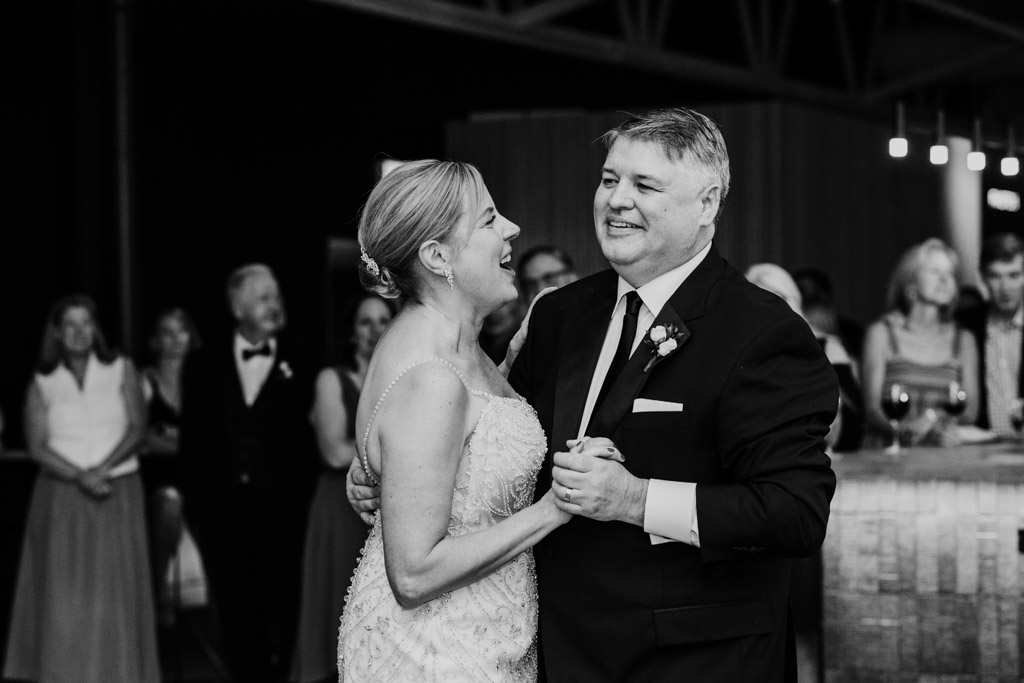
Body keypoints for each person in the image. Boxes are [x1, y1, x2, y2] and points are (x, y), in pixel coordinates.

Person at [350, 108, 838, 680]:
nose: (617, 200)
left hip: (695, 659)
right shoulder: (559, 314)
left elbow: (794, 513)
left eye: (645, 185)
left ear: (706, 204)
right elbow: (501, 452)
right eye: (609, 180)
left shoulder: (762, 331)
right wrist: (393, 470)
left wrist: (635, 499)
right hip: (551, 650)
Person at [337, 159, 571, 681]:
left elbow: (467, 438)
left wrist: (512, 362)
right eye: (489, 220)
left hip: (475, 634)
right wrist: (556, 509)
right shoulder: (432, 377)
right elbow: (414, 574)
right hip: (435, 654)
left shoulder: (450, 344)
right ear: (438, 256)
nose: (511, 228)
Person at [3, 294, 159, 683]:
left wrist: (101, 470)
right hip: (61, 495)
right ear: (56, 332)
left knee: (115, 593)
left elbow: (139, 428)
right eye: (69, 324)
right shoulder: (43, 380)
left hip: (117, 490)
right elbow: (36, 444)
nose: (78, 332)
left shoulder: (121, 368)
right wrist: (80, 476)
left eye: (85, 323)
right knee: (64, 596)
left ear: (96, 329)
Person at [180, 264, 318, 683]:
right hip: (222, 513)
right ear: (237, 307)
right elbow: (192, 442)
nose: (275, 305)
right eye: (263, 298)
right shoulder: (202, 365)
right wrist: (200, 506)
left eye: (276, 296)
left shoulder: (305, 361)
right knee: (235, 617)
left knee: (283, 612)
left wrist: (298, 499)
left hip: (283, 512)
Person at [289, 292, 395, 683]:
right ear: (351, 331)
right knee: (338, 603)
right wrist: (401, 453)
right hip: (339, 503)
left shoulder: (405, 374)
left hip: (391, 503)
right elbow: (334, 452)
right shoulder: (331, 378)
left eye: (383, 320)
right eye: (365, 322)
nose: (374, 330)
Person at [862, 238, 979, 447]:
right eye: (934, 271)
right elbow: (871, 409)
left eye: (950, 273)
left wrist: (933, 419)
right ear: (911, 281)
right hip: (889, 453)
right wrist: (905, 432)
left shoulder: (964, 339)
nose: (944, 280)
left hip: (942, 453)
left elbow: (970, 411)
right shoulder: (881, 333)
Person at [746, 262, 863, 452]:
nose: (767, 314)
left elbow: (852, 432)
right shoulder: (741, 358)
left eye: (776, 302)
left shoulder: (826, 348)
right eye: (757, 305)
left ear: (793, 303)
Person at [139, 306, 202, 624]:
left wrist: (170, 437)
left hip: (199, 474)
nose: (175, 339)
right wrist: (184, 439)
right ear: (154, 341)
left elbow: (212, 439)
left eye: (181, 330)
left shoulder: (204, 381)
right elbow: (140, 439)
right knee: (168, 503)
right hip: (158, 479)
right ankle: (156, 591)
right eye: (167, 331)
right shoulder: (145, 381)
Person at [959, 232, 1024, 437]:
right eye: (996, 276)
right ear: (983, 278)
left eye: (1014, 275)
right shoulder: (967, 325)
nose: (1005, 287)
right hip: (982, 450)